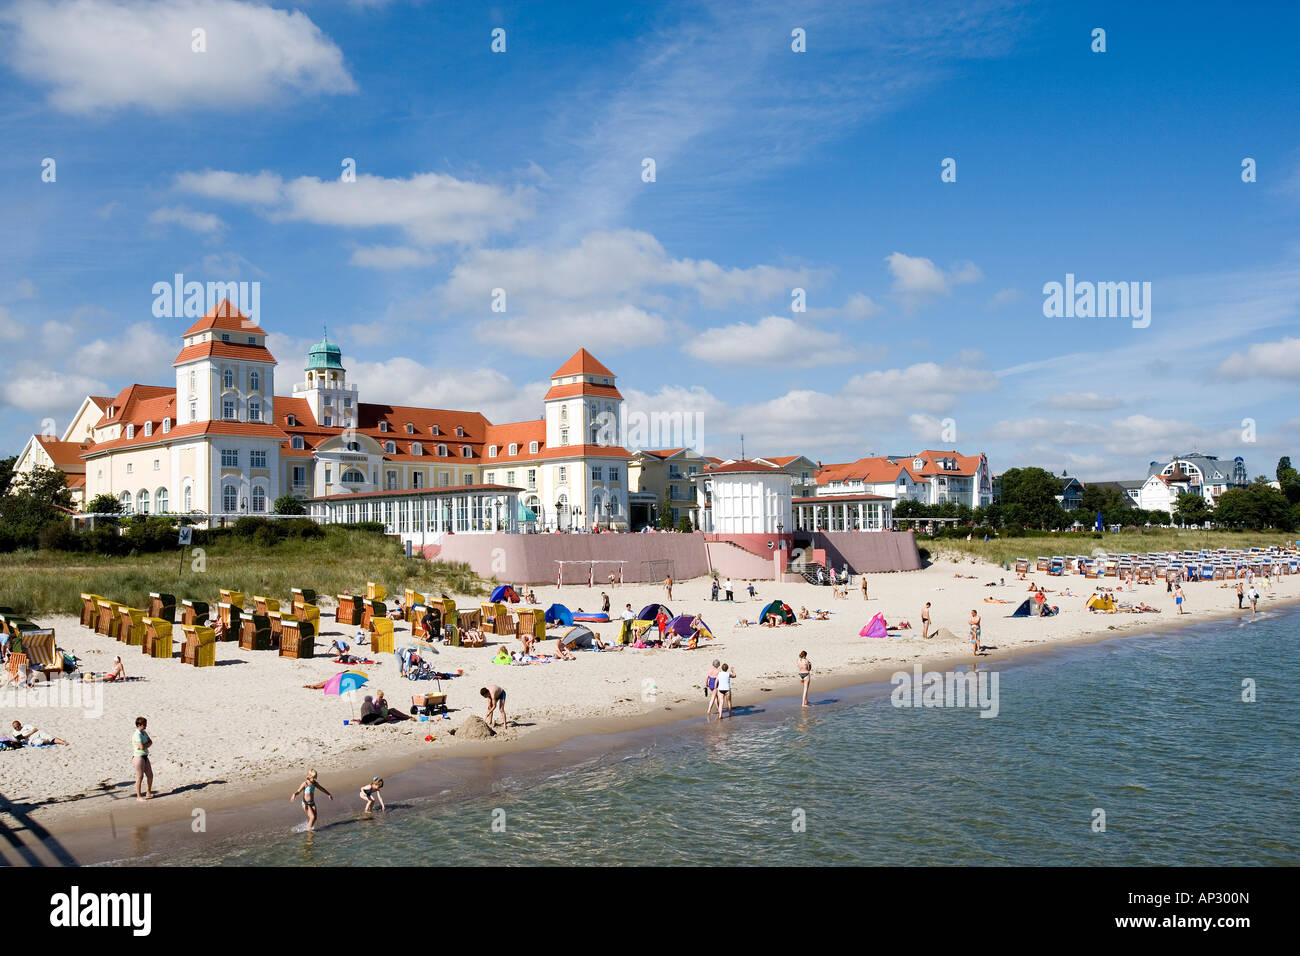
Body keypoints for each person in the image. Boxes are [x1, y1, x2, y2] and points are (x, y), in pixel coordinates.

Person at [133, 716, 153, 800]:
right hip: (138, 757)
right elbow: (141, 747)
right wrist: (146, 745)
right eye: (144, 725)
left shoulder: (144, 733)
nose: (145, 726)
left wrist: (146, 745)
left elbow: (150, 742)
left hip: (145, 756)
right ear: (139, 725)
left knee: (150, 775)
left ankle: (148, 792)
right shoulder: (137, 734)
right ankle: (139, 796)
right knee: (140, 777)